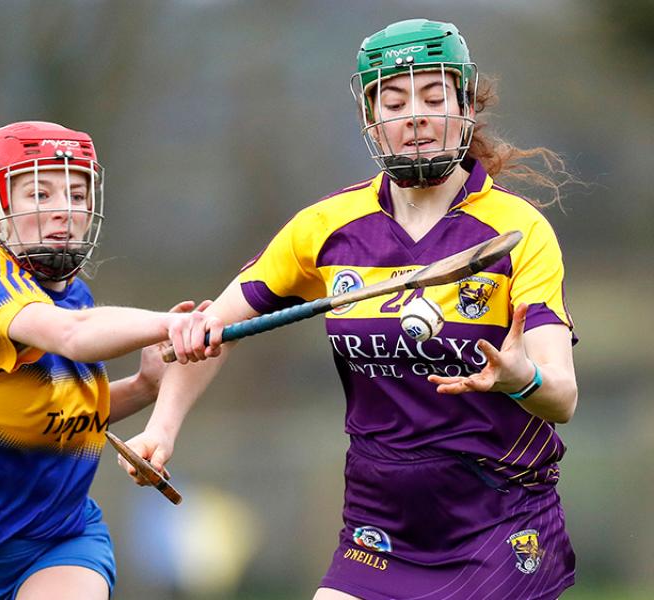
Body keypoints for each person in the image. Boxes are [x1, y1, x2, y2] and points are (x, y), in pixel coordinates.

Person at [122, 19, 578, 600]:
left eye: (434, 98)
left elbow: (561, 396)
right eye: (394, 102)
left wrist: (522, 379)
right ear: (371, 121)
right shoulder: (327, 228)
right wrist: (161, 430)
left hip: (500, 516)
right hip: (380, 522)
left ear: (466, 107)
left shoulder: (518, 230)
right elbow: (217, 328)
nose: (414, 115)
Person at [0, 120, 223, 600]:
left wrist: (145, 386)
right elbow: (73, 336)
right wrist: (169, 325)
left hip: (62, 538)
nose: (65, 210)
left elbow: (60, 416)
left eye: (78, 193)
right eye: (39, 195)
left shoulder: (75, 297)